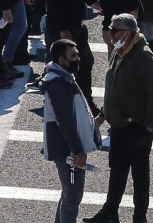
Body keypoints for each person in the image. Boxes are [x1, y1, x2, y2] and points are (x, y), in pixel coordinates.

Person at [89, 13, 153, 223]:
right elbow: (113, 88)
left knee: (139, 173)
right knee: (117, 169)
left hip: (137, 126)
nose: (110, 33)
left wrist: (148, 125)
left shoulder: (143, 56)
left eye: (114, 30)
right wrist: (103, 115)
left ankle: (139, 216)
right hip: (119, 125)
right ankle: (110, 212)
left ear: (127, 33)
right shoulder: (119, 50)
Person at [41, 37, 95, 223]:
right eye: (73, 56)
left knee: (68, 193)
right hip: (68, 151)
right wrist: (78, 151)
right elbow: (66, 122)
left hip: (68, 148)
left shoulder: (63, 79)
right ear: (61, 60)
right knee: (72, 195)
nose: (78, 59)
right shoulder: (59, 85)